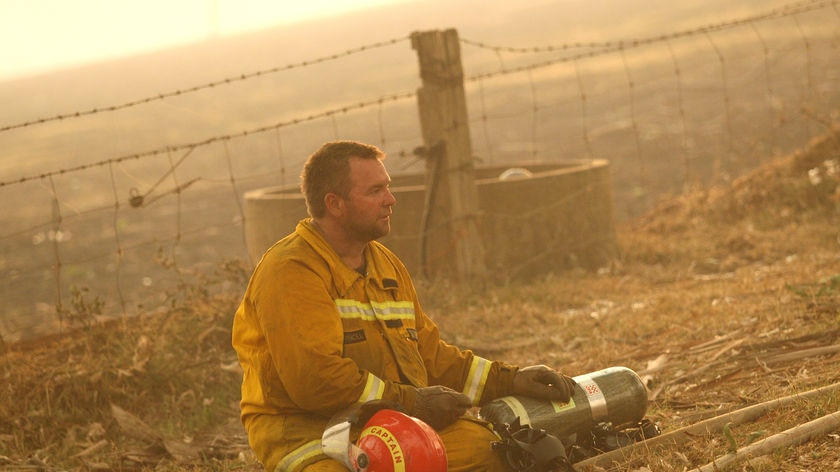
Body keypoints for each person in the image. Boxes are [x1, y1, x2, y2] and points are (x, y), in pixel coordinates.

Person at [231, 140, 577, 471]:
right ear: (334, 204)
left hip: (391, 421)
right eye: (375, 191)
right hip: (309, 432)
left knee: (490, 453)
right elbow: (315, 381)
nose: (391, 199)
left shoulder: (386, 265)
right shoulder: (292, 271)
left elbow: (429, 355)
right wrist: (414, 403)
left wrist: (510, 380)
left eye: (387, 187)